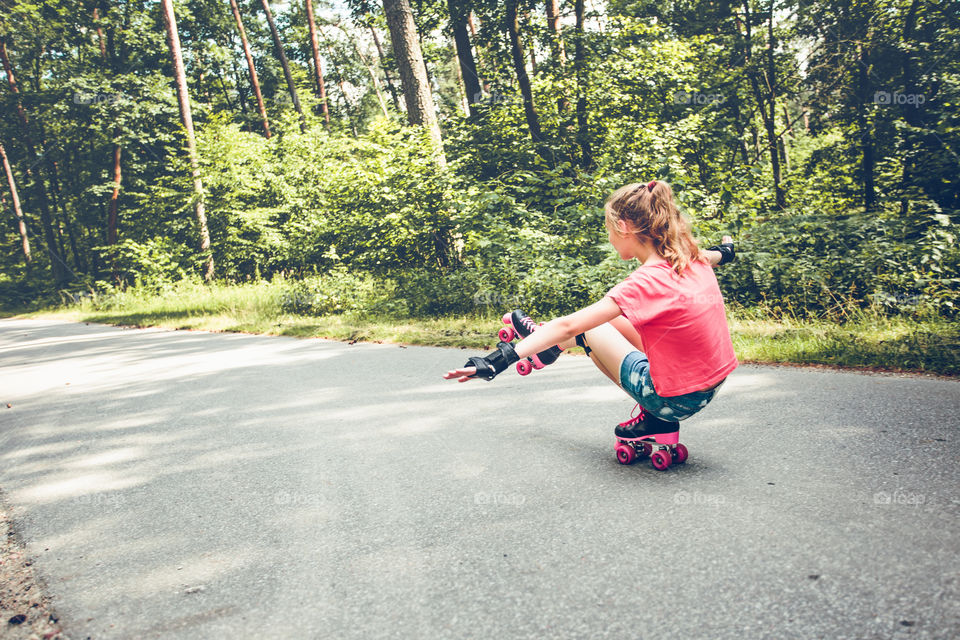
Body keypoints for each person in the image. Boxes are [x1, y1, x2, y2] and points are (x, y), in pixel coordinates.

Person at [442, 180, 738, 454]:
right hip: (709, 385)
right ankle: (548, 347)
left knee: (590, 329)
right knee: (618, 321)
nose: (609, 237)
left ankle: (551, 348)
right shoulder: (691, 256)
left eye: (608, 229)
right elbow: (717, 255)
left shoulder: (645, 282)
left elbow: (570, 324)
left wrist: (495, 361)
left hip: (672, 400)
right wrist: (727, 251)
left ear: (623, 228)